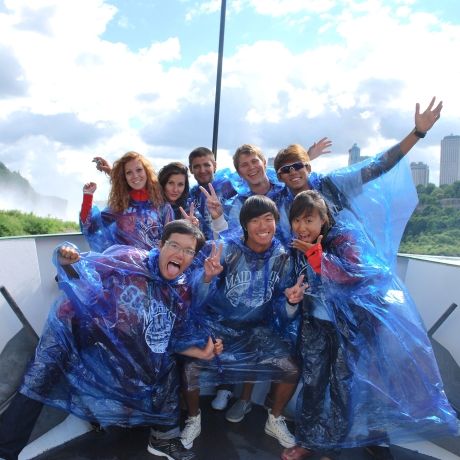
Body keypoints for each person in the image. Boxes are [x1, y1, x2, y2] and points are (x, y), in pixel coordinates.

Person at [281, 100, 459, 460]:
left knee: (356, 378)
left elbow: (378, 165)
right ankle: (313, 440)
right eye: (285, 169)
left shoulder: (333, 192)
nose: (293, 172)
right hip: (316, 313)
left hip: (355, 312)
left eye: (298, 165)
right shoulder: (286, 206)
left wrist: (418, 132)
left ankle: (359, 437)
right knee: (315, 379)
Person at [0, 220, 224, 460]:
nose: (180, 254)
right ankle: (5, 450)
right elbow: (81, 271)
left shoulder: (179, 290)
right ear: (160, 244)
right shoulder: (128, 258)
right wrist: (68, 261)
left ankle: (163, 438)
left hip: (117, 341)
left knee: (164, 368)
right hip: (76, 328)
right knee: (39, 375)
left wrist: (201, 352)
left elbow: (172, 337)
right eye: (174, 245)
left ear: (192, 258)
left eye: (188, 251)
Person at [179, 195, 305, 451]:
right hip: (218, 327)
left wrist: (291, 302)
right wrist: (205, 278)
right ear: (245, 225)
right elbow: (198, 300)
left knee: (291, 368)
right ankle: (193, 419)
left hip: (256, 331)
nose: (262, 226)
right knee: (191, 368)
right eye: (255, 220)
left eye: (268, 219)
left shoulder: (282, 256)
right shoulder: (227, 249)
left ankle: (275, 418)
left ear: (276, 222)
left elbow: (281, 311)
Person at [81, 151, 173, 252]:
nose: (135, 175)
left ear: (147, 172)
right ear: (124, 177)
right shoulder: (119, 206)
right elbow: (90, 226)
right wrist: (88, 196)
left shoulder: (162, 206)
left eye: (139, 170)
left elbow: (173, 240)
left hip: (155, 265)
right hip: (125, 265)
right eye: (129, 172)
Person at [187, 146, 237, 241]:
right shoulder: (191, 195)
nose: (202, 170)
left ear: (214, 165)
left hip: (229, 245)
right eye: (197, 166)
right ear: (191, 169)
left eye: (207, 165)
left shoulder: (230, 186)